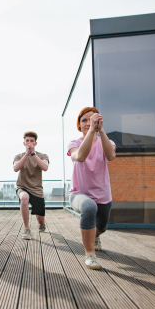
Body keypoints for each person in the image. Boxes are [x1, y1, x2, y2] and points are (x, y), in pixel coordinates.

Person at [67, 107, 116, 270]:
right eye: (84, 120)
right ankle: (90, 254)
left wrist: (100, 131)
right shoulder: (74, 144)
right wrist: (92, 131)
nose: (89, 123)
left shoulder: (107, 142)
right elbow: (80, 156)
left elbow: (111, 156)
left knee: (101, 227)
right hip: (78, 194)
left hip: (103, 196)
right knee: (89, 207)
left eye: (92, 120)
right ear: (79, 125)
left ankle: (95, 237)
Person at [13, 131, 49, 240]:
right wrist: (26, 155)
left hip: (37, 189)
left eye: (32, 141)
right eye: (27, 141)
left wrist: (33, 154)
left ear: (35, 143)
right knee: (24, 198)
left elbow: (45, 167)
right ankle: (26, 229)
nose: (29, 143)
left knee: (41, 220)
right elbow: (15, 168)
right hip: (22, 187)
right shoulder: (18, 156)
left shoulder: (43, 155)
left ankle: (41, 224)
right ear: (24, 143)